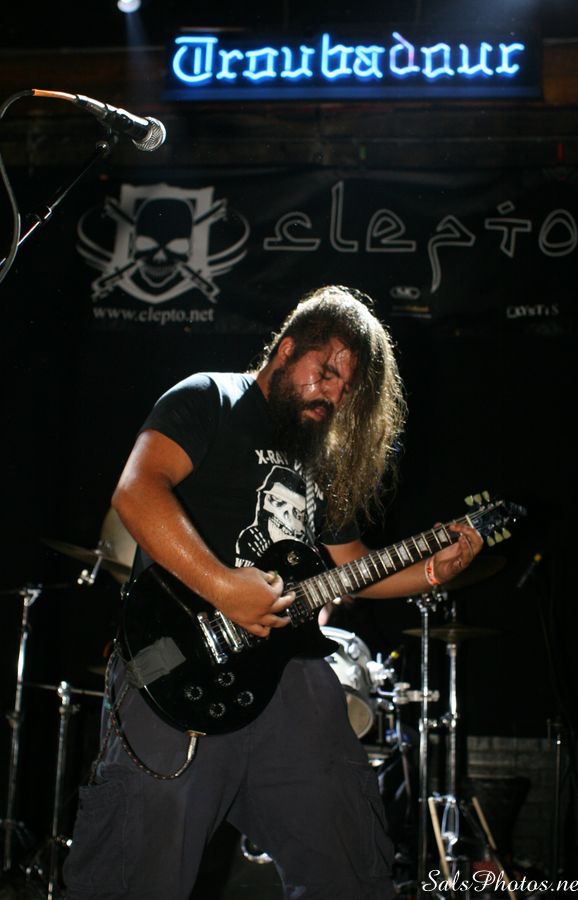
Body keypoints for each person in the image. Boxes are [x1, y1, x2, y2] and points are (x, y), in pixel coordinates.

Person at [63, 285, 483, 900]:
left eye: (346, 387)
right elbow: (137, 490)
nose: (333, 393)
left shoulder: (321, 458)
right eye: (327, 371)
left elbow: (352, 566)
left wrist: (432, 571)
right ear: (287, 349)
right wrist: (223, 587)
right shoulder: (208, 396)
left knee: (350, 865)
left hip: (290, 674)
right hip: (178, 662)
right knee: (134, 875)